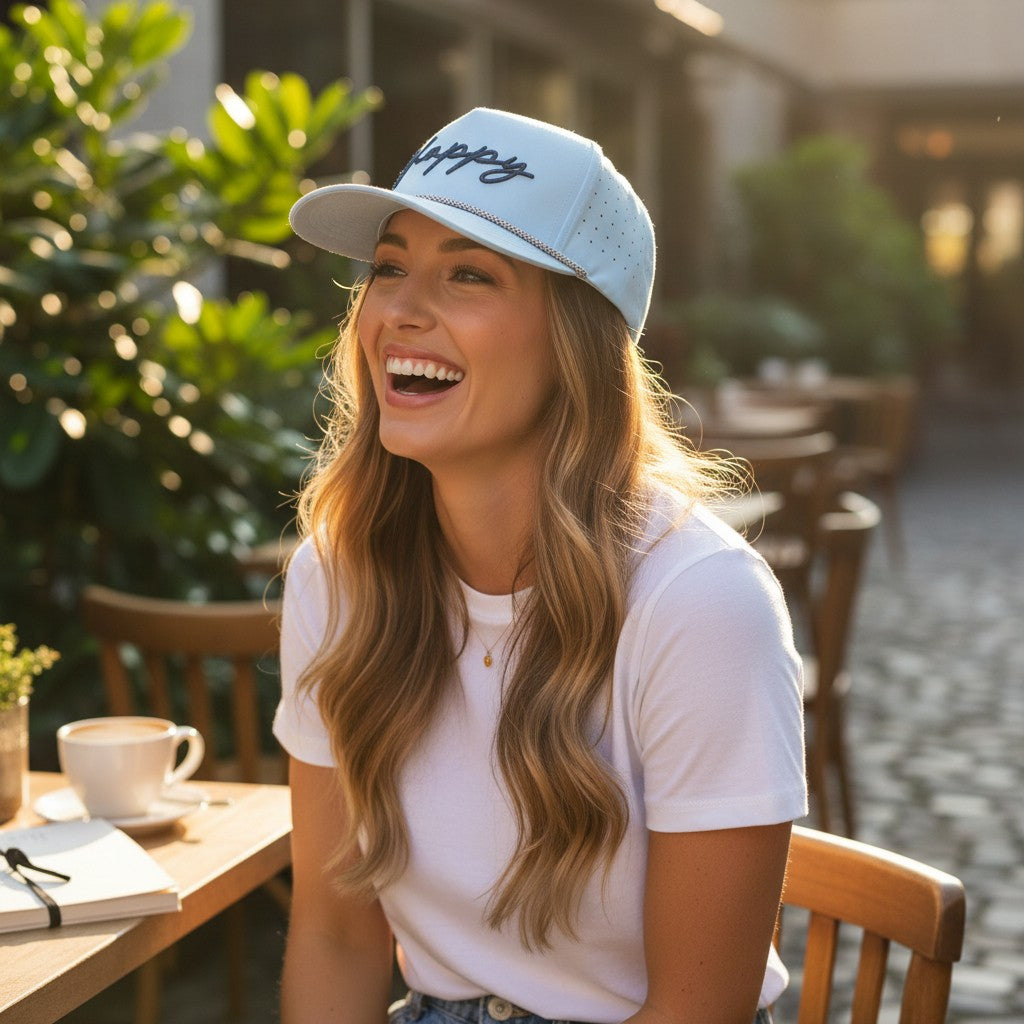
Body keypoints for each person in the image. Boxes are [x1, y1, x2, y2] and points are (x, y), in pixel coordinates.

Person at [273, 107, 807, 1024]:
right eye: (390, 267)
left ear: (576, 344)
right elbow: (334, 936)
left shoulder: (699, 604)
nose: (398, 310)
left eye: (468, 275)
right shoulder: (338, 573)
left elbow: (697, 1011)